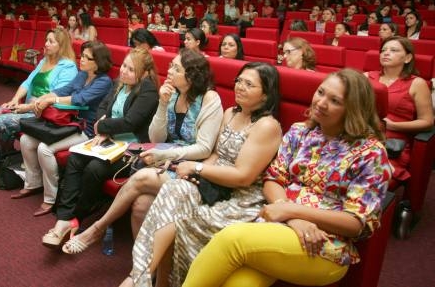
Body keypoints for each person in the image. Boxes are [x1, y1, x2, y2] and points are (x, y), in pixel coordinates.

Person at [183, 69, 392, 287]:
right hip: (279, 224)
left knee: (230, 239)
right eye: (320, 92)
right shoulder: (300, 132)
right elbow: (273, 179)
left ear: (353, 109)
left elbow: (356, 223)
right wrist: (289, 214)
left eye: (335, 101)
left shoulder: (371, 153)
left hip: (325, 245)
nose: (321, 103)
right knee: (238, 283)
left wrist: (292, 211)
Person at [122, 62, 282, 287]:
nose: (240, 87)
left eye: (249, 84)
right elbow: (216, 154)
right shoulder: (230, 113)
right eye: (239, 81)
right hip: (215, 183)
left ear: (266, 95)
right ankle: (145, 277)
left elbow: (244, 176)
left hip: (240, 198)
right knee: (174, 189)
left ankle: (143, 279)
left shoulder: (267, 126)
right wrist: (194, 177)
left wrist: (197, 168)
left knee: (181, 215)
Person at [62, 49, 223, 255]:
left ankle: (96, 229)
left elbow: (204, 148)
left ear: (192, 76)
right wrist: (163, 105)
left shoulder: (210, 99)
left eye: (176, 68)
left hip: (190, 168)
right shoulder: (173, 94)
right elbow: (156, 138)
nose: (169, 71)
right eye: (171, 66)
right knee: (139, 206)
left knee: (139, 179)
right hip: (166, 161)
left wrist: (164, 155)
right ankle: (145, 267)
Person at [41, 48, 160, 247]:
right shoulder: (119, 84)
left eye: (131, 69)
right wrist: (103, 128)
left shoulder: (147, 90)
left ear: (144, 73)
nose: (124, 71)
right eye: (123, 66)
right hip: (109, 140)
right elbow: (102, 109)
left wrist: (103, 127)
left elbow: (130, 122)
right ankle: (64, 218)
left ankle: (76, 216)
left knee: (95, 169)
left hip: (131, 147)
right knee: (75, 158)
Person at [18, 41, 113, 216]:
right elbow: (63, 90)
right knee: (25, 140)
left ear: (98, 62)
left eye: (86, 57)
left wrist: (50, 101)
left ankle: (51, 198)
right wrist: (41, 100)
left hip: (87, 130)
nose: (81, 59)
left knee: (44, 149)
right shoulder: (82, 75)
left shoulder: (104, 82)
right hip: (66, 123)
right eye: (82, 55)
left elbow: (80, 99)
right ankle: (33, 183)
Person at [0, 28, 78, 178]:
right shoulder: (44, 61)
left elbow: (55, 96)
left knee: (2, 121)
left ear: (61, 45)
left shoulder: (68, 67)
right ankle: (7, 157)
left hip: (43, 113)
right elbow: (27, 83)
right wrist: (14, 100)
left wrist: (26, 107)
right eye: (46, 40)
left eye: (51, 41)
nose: (46, 44)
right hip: (27, 107)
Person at [365, 36, 433, 183]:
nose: (386, 53)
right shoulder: (366, 77)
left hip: (391, 145)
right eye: (383, 50)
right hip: (360, 135)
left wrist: (394, 125)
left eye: (393, 50)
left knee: (364, 177)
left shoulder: (417, 83)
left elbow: (427, 121)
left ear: (407, 58)